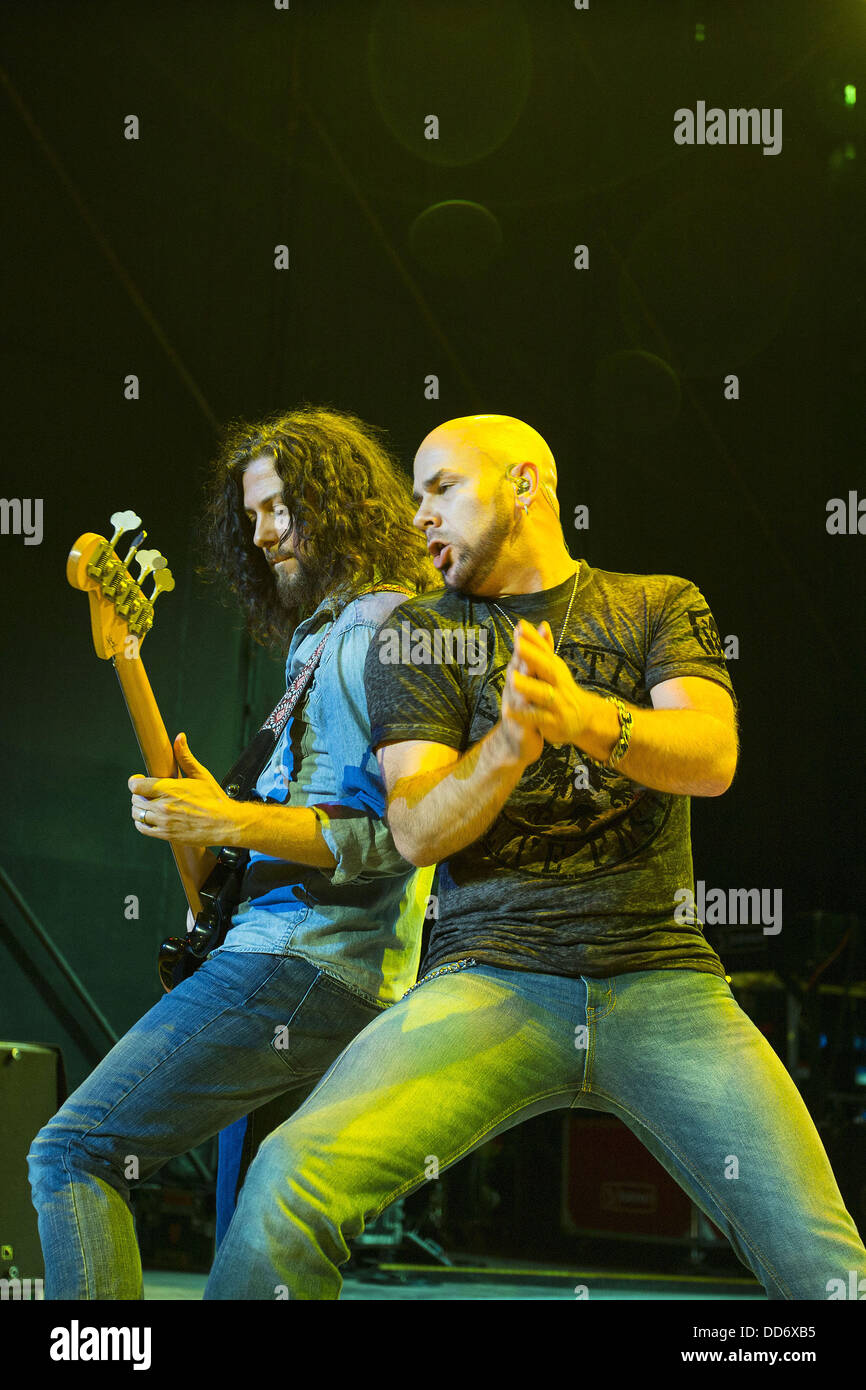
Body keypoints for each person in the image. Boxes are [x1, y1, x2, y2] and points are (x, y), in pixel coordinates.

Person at [204, 413, 866, 1301]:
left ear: (524, 486)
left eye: (440, 489)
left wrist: (581, 718)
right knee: (287, 1183)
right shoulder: (417, 635)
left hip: (662, 979)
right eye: (414, 497)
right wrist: (510, 744)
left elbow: (712, 756)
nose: (418, 518)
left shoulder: (656, 603)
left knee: (830, 1272)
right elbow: (414, 829)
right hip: (489, 976)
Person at [27, 405, 438, 1298]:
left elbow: (398, 836)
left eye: (280, 508)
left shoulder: (375, 628)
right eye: (250, 516)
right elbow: (303, 824)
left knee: (71, 1152)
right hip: (317, 970)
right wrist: (224, 813)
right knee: (257, 1254)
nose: (261, 535)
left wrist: (226, 821)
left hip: (300, 967)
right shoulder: (320, 636)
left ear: (338, 502)